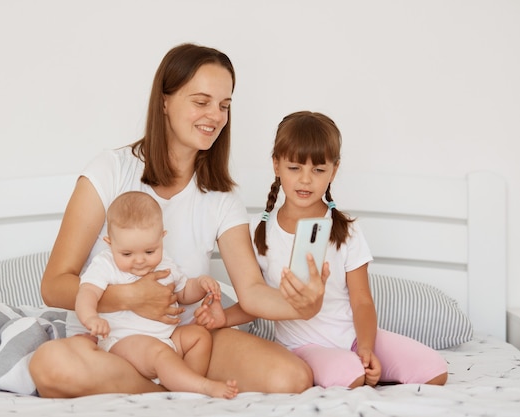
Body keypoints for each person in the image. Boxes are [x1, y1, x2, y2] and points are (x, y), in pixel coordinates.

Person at [29, 43, 328, 398]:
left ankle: (169, 384)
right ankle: (171, 393)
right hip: (110, 342)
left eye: (224, 106)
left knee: (291, 377)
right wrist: (129, 297)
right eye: (201, 102)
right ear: (165, 101)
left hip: (184, 344)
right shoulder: (110, 171)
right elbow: (53, 285)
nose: (215, 116)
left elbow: (251, 291)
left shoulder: (221, 196)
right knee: (50, 365)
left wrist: (301, 305)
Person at [249, 110, 449, 388]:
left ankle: (362, 361)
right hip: (303, 345)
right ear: (276, 165)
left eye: (318, 170)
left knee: (434, 369)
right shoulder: (259, 231)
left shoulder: (346, 230)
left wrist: (366, 347)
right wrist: (221, 316)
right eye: (295, 168)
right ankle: (353, 368)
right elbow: (253, 298)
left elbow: (362, 300)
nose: (305, 180)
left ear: (334, 170)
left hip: (353, 336)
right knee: (350, 375)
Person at [72, 191, 238, 398]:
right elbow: (86, 293)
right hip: (124, 343)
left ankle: (182, 389)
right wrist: (91, 318)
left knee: (200, 337)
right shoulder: (105, 265)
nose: (140, 260)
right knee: (158, 353)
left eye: (149, 251)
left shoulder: (165, 262)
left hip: (166, 339)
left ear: (162, 237)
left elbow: (184, 292)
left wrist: (201, 284)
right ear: (109, 243)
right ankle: (202, 387)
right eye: (127, 254)